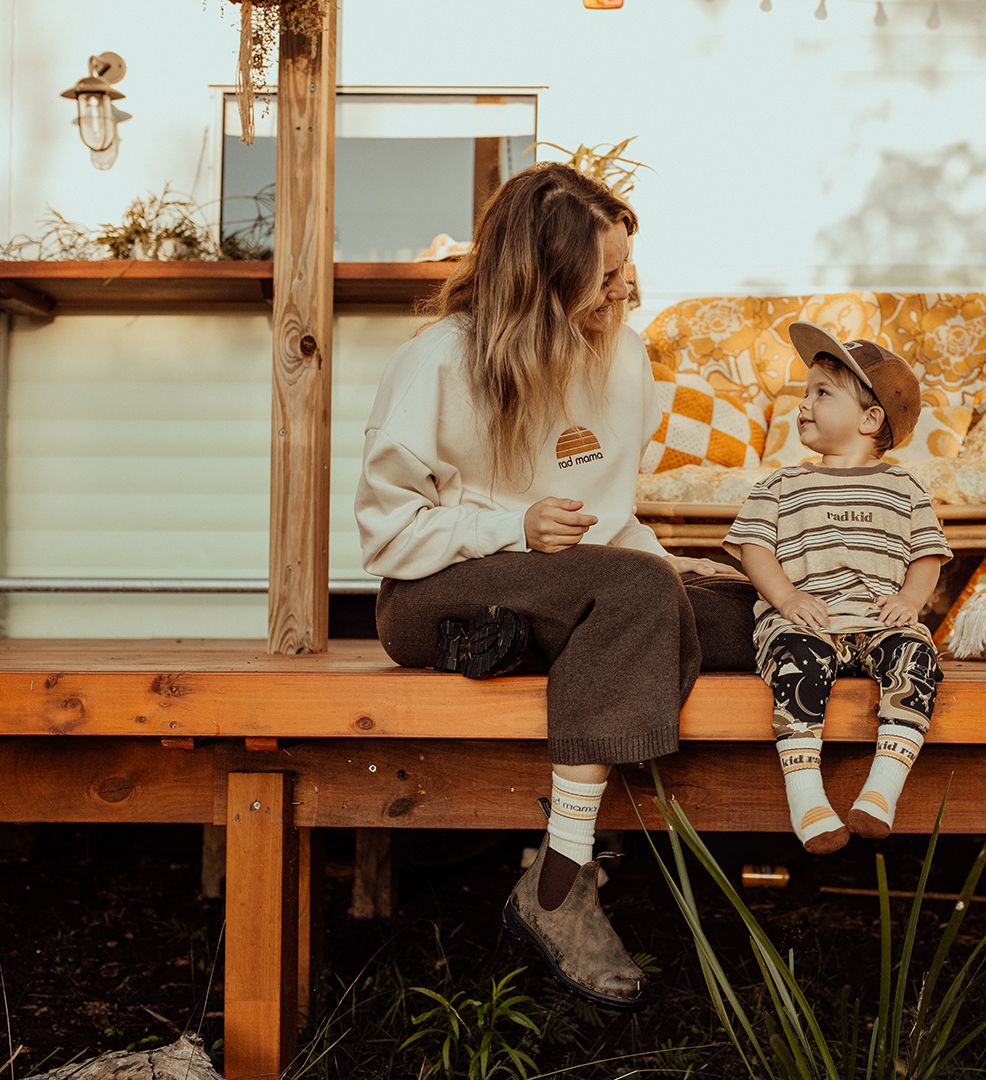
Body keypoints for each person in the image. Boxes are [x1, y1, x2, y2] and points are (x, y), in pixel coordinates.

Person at [355, 162, 756, 1012]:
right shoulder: (437, 363)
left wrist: (694, 571)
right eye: (604, 276)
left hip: (573, 591)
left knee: (748, 622)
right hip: (434, 591)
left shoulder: (622, 357)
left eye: (626, 267)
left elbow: (611, 519)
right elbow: (385, 534)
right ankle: (562, 882)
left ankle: (519, 649)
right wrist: (511, 528)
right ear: (541, 280)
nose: (627, 290)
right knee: (639, 602)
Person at [722, 322, 950, 855]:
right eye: (805, 393)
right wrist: (787, 598)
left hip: (877, 618)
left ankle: (881, 790)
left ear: (871, 419)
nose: (804, 404)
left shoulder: (905, 487)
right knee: (795, 661)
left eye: (822, 393)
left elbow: (927, 554)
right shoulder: (780, 485)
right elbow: (755, 549)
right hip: (807, 621)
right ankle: (807, 796)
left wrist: (910, 602)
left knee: (917, 657)